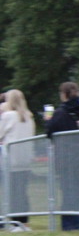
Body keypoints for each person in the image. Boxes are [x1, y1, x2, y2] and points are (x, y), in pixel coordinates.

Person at [45, 82, 79, 231]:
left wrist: (48, 120)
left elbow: (50, 131)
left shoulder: (61, 112)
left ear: (64, 94)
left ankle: (71, 224)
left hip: (66, 158)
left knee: (68, 190)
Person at [0, 89, 36, 228]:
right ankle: (22, 220)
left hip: (9, 160)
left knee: (11, 192)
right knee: (21, 192)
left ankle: (10, 220)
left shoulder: (8, 116)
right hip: (24, 160)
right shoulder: (28, 116)